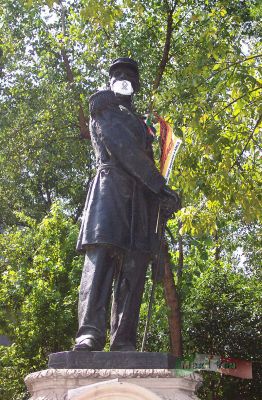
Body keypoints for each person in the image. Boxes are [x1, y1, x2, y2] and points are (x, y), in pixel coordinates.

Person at [74, 57, 180, 352]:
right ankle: (89, 333)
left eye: (129, 75)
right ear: (110, 81)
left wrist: (162, 197)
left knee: (134, 267)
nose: (124, 78)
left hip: (140, 201)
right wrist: (160, 187)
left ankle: (124, 340)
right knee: (101, 262)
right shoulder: (104, 109)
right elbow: (123, 150)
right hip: (110, 192)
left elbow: (144, 160)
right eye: (118, 74)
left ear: (136, 85)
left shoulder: (141, 123)